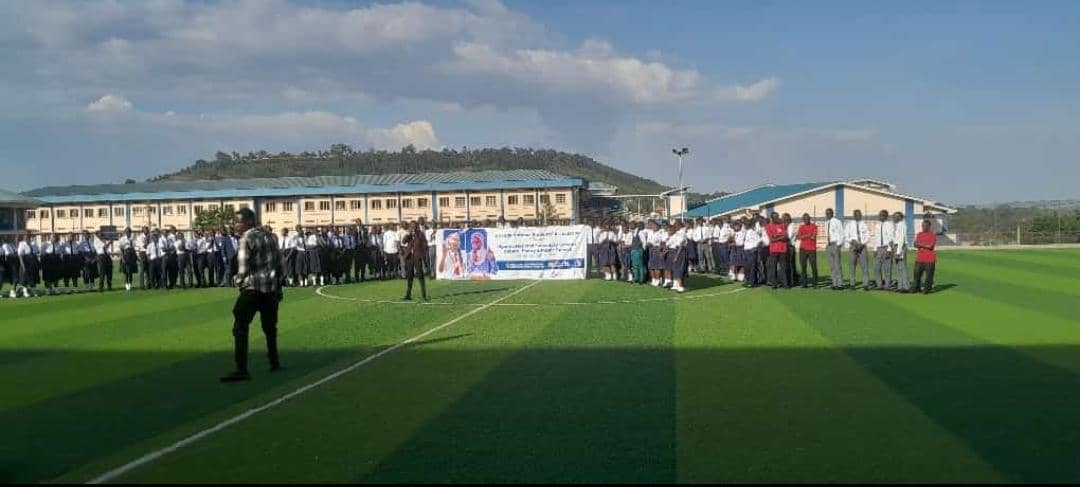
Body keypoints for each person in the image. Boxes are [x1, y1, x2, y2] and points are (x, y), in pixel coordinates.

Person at [221, 208, 284, 383]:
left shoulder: (246, 238)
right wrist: (278, 287)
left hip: (253, 288)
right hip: (270, 289)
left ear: (248, 222)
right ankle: (274, 362)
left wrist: (238, 282)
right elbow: (280, 264)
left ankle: (241, 369)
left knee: (240, 326)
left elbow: (243, 269)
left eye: (238, 222)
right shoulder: (271, 236)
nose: (235, 225)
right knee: (270, 328)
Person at [845, 209, 872, 291]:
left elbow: (868, 236)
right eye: (856, 214)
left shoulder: (864, 224)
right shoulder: (849, 224)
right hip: (853, 247)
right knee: (852, 266)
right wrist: (852, 241)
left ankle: (866, 284)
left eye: (859, 214)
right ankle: (852, 284)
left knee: (864, 267)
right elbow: (846, 235)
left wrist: (862, 244)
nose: (858, 216)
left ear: (861, 215)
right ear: (854, 215)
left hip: (862, 247)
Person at [401, 222, 429, 300]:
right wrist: (409, 234)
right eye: (411, 226)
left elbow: (425, 245)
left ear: (416, 226)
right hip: (410, 257)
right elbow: (403, 242)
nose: (412, 227)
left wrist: (423, 256)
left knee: (420, 275)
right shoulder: (409, 234)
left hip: (418, 257)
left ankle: (424, 295)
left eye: (413, 226)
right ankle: (408, 295)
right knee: (410, 275)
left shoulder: (420, 234)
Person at [764, 213, 790, 289]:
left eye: (777, 217)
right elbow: (771, 239)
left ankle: (785, 284)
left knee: (783, 267)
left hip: (783, 249)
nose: (777, 218)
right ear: (772, 218)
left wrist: (776, 236)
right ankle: (774, 284)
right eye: (775, 217)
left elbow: (786, 237)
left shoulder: (782, 225)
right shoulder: (768, 226)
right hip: (774, 250)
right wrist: (780, 237)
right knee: (773, 267)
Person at [871, 210, 894, 291]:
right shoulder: (877, 225)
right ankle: (879, 284)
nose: (881, 216)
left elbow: (891, 238)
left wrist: (889, 250)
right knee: (876, 268)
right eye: (880, 215)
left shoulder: (889, 225)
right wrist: (874, 249)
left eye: (883, 215)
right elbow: (876, 238)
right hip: (878, 248)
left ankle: (887, 285)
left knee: (887, 268)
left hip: (886, 247)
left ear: (886, 216)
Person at [913, 219, 937, 294]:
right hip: (919, 258)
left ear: (929, 226)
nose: (924, 227)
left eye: (925, 226)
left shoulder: (932, 235)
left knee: (929, 276)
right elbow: (915, 244)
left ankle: (927, 289)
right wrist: (923, 245)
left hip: (929, 259)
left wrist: (920, 245)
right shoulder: (919, 234)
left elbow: (930, 246)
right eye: (923, 226)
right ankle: (916, 288)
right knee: (917, 275)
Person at [796, 213, 819, 288]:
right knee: (803, 267)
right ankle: (804, 283)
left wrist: (804, 236)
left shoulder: (814, 226)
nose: (806, 220)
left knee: (813, 266)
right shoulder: (801, 227)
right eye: (804, 219)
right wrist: (808, 235)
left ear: (810, 218)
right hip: (802, 249)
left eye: (807, 218)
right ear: (803, 220)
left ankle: (815, 283)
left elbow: (813, 237)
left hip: (812, 249)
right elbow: (798, 237)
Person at [825, 208, 845, 290]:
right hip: (829, 245)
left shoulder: (837, 221)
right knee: (832, 266)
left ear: (832, 213)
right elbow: (828, 234)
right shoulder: (826, 223)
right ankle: (834, 283)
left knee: (837, 265)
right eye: (826, 213)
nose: (828, 215)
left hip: (835, 244)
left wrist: (839, 244)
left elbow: (842, 233)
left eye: (829, 213)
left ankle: (840, 284)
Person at [891, 212, 911, 293]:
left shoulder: (902, 225)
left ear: (901, 217)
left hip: (901, 246)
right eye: (894, 216)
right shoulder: (897, 225)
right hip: (896, 246)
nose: (894, 218)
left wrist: (898, 251)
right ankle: (900, 286)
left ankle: (906, 287)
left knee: (902, 267)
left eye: (896, 216)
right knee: (898, 267)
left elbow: (901, 239)